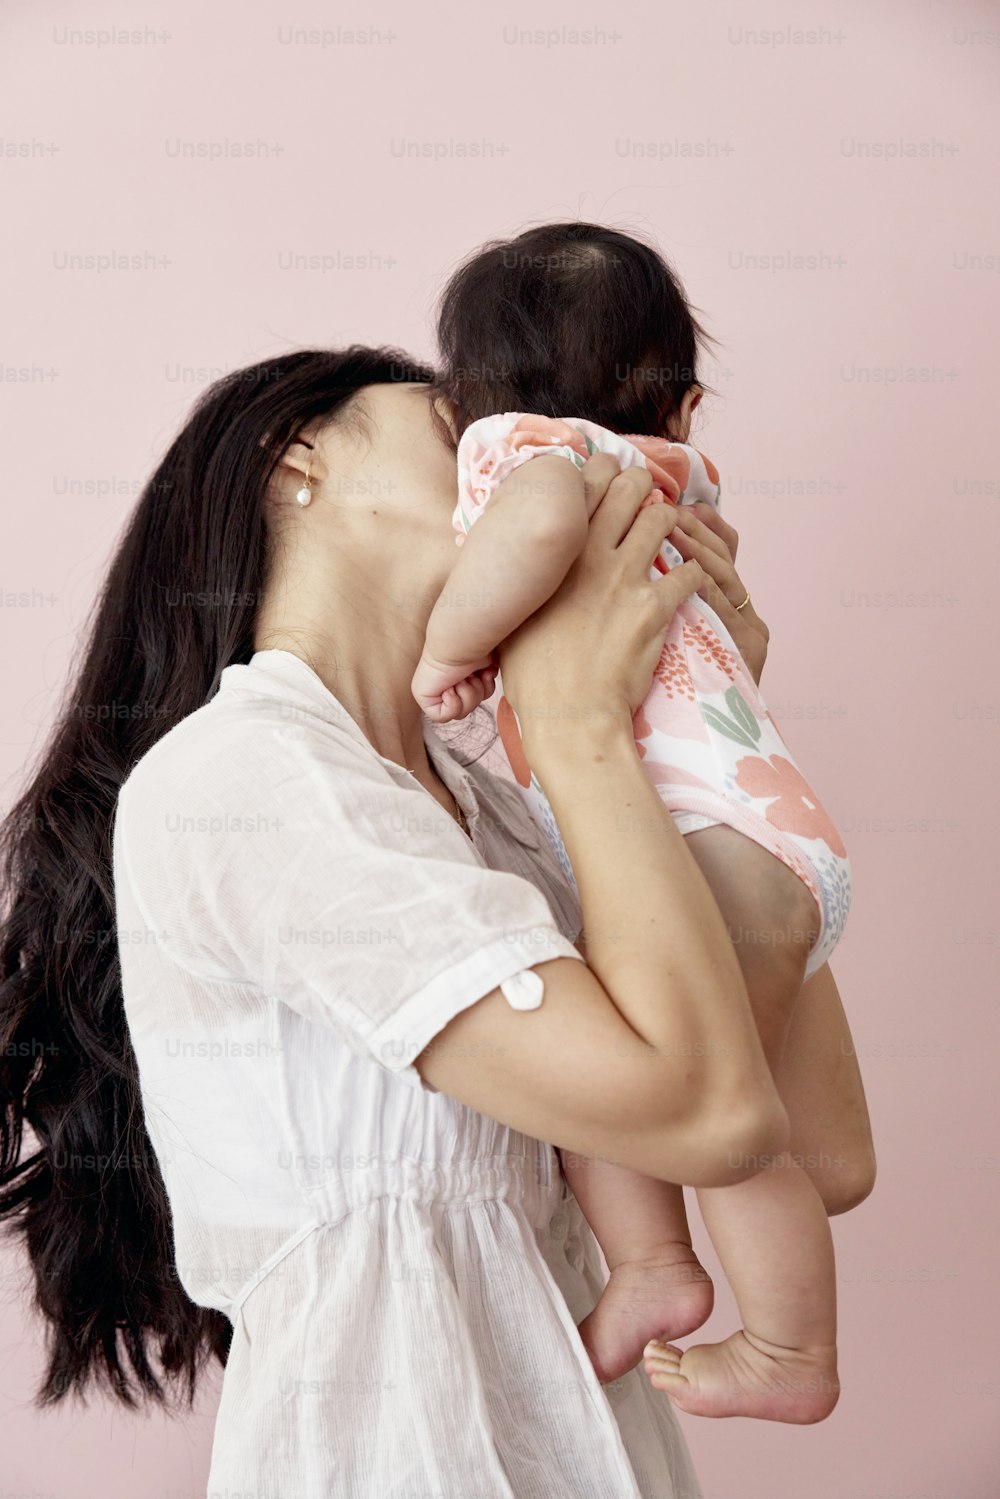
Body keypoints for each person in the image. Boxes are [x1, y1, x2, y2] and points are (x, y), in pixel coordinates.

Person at [0, 343, 849, 1497]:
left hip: (590, 1440)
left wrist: (712, 755)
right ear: (292, 459)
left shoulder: (497, 801)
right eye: (463, 429)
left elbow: (818, 1142)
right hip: (403, 1445)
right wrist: (584, 723)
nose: (528, 461)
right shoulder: (245, 779)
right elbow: (707, 1113)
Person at [411, 222, 876, 1419]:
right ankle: (681, 1276)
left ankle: (758, 1331)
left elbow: (536, 521)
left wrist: (451, 646)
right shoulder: (680, 479)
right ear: (684, 399)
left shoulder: (532, 454)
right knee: (744, 1120)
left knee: (660, 1088)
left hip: (699, 851)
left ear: (465, 399)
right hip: (769, 832)